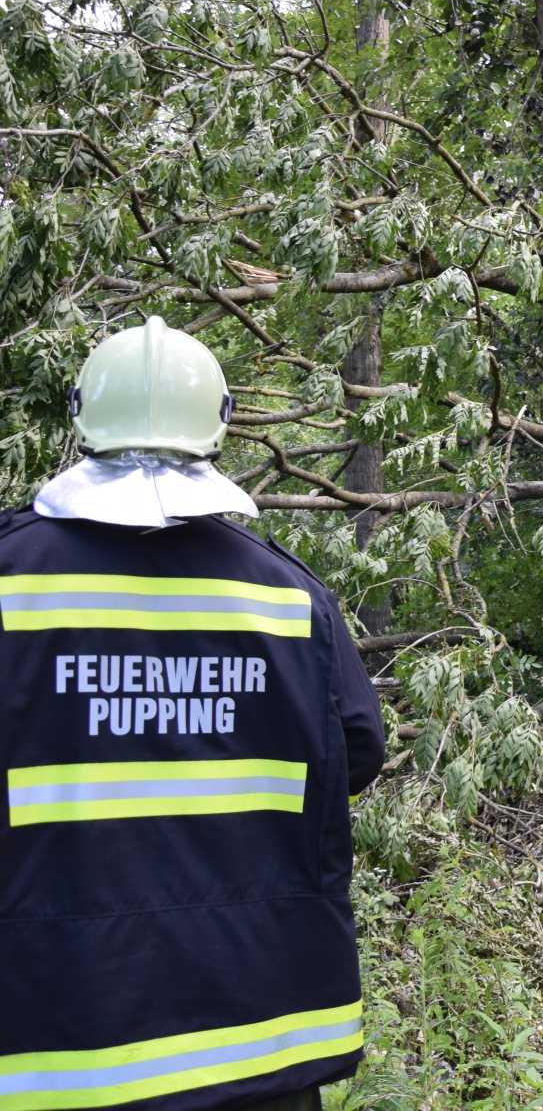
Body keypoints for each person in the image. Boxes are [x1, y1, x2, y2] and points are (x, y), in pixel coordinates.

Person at [0, 317, 386, 1111]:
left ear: (81, 416)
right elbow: (359, 750)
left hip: (56, 1041)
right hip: (260, 1044)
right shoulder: (288, 595)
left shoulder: (11, 578)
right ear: (220, 419)